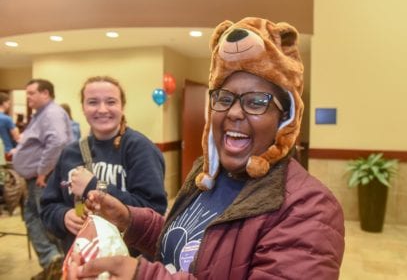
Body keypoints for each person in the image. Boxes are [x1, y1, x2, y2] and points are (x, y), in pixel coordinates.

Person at [68, 18, 345, 280]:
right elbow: (182, 246)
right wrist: (130, 220)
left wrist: (146, 275)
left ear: (284, 119)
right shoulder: (206, 175)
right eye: (224, 98)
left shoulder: (309, 208)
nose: (234, 112)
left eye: (256, 101)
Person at [40, 76, 167, 256]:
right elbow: (47, 206)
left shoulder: (140, 148)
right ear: (83, 108)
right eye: (92, 102)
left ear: (121, 107)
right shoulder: (70, 152)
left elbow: (154, 212)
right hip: (81, 261)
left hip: (128, 264)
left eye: (111, 102)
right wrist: (63, 216)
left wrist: (94, 186)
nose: (102, 109)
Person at [12, 79, 73, 280]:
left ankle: (56, 262)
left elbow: (57, 142)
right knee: (35, 218)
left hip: (44, 179)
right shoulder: (42, 114)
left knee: (46, 221)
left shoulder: (51, 113)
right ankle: (55, 262)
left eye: (31, 93)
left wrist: (42, 171)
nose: (28, 97)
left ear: (45, 93)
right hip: (38, 178)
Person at [0, 92, 20, 160]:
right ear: (3, 103)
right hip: (7, 152)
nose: (9, 105)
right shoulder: (7, 119)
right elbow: (16, 137)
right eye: (8, 103)